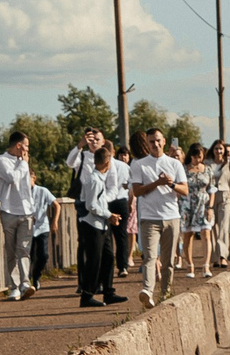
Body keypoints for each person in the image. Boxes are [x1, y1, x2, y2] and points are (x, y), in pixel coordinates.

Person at [128, 127, 187, 305]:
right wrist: (157, 182)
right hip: (149, 218)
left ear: (164, 141)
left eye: (158, 140)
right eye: (151, 141)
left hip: (171, 216)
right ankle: (147, 291)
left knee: (169, 260)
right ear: (147, 144)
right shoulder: (139, 165)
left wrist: (171, 184)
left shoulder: (174, 164)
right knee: (150, 256)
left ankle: (165, 293)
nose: (155, 144)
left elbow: (185, 190)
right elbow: (137, 191)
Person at [71, 133, 127, 307]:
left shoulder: (98, 178)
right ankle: (87, 295)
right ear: (107, 163)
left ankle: (108, 291)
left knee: (108, 257)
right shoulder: (94, 180)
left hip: (102, 224)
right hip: (93, 224)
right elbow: (91, 205)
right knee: (94, 261)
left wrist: (108, 216)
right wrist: (108, 215)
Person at [0, 134, 38, 299]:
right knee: (11, 250)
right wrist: (23, 164)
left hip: (26, 211)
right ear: (19, 145)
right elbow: (12, 178)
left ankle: (25, 283)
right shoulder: (2, 160)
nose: (28, 150)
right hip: (9, 210)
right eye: (26, 146)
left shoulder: (24, 163)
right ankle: (14, 287)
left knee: (24, 249)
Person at [180, 141, 216, 279]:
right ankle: (190, 265)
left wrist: (210, 207)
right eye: (195, 156)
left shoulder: (207, 170)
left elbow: (212, 189)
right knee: (188, 235)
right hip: (188, 205)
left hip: (204, 204)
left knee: (206, 233)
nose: (197, 159)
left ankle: (206, 265)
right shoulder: (184, 169)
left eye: (200, 156)